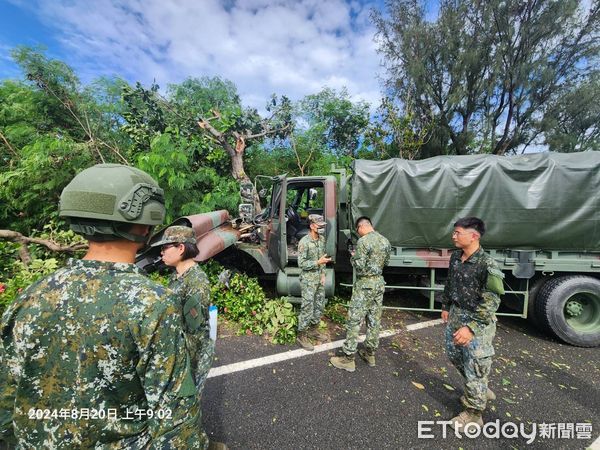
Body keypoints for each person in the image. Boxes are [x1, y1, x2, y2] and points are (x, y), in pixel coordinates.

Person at [0, 164, 208, 449]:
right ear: (146, 226)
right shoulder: (153, 304)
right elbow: (174, 421)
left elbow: (6, 401)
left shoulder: (29, 298)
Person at [440, 217, 504, 430]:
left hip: (478, 322)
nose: (453, 236)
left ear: (474, 236)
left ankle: (474, 413)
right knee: (453, 353)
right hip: (457, 314)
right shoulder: (456, 257)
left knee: (475, 365)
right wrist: (446, 306)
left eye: (458, 232)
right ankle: (479, 387)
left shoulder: (488, 264)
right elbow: (450, 282)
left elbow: (492, 300)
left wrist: (471, 328)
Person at [151, 226, 214, 393]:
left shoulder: (196, 283)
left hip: (189, 358)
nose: (161, 253)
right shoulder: (177, 275)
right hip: (176, 352)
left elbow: (195, 335)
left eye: (165, 248)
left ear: (180, 248)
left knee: (186, 404)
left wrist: (180, 368)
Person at [330, 216, 391, 372]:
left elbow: (359, 266)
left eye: (358, 231)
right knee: (374, 320)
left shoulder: (363, 242)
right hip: (378, 284)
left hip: (365, 285)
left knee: (354, 320)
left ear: (361, 227)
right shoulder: (385, 241)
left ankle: (348, 358)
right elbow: (387, 263)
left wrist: (353, 256)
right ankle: (370, 354)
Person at [296, 214, 332, 351]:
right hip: (308, 280)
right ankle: (301, 335)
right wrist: (318, 262)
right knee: (307, 307)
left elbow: (322, 257)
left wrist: (323, 273)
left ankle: (313, 330)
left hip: (319, 279)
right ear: (311, 226)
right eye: (319, 226)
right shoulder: (304, 242)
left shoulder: (321, 240)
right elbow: (301, 263)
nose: (322, 228)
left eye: (323, 226)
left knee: (319, 305)